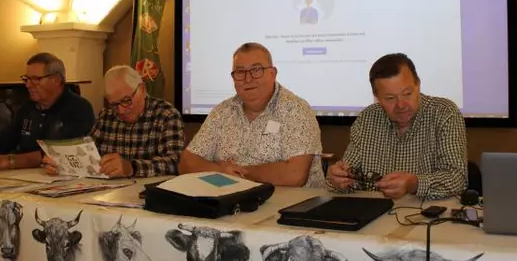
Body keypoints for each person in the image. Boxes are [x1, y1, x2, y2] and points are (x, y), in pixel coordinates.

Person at [179, 42, 324, 187]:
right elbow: (186, 163)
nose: (248, 79)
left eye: (256, 70)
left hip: (289, 204)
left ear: (273, 74)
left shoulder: (296, 110)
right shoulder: (222, 112)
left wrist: (241, 173)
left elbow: (295, 175)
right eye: (240, 72)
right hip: (231, 200)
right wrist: (220, 171)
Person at [326, 53, 467, 200]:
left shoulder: (443, 113)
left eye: (407, 94)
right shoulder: (367, 119)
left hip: (425, 214)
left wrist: (415, 184)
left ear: (418, 85)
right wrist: (339, 179)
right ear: (377, 97)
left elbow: (457, 179)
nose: (401, 105)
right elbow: (350, 176)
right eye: (390, 98)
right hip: (376, 214)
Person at [43, 65, 184, 179]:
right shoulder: (107, 115)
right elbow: (88, 153)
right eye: (114, 104)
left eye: (126, 101)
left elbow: (175, 163)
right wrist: (61, 163)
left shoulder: (166, 115)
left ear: (142, 90)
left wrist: (131, 168)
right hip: (107, 195)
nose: (121, 110)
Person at [0, 53, 95, 173]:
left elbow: (59, 153)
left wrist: (5, 161)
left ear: (56, 80)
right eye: (26, 79)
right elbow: (2, 143)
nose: (28, 85)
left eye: (36, 79)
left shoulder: (79, 108)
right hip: (26, 178)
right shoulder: (28, 108)